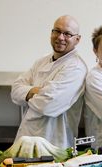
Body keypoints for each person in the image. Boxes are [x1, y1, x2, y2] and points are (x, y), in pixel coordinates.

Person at [11, 15, 87, 149]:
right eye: (57, 31)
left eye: (67, 34)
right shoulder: (41, 61)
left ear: (77, 39)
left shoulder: (76, 67)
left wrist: (29, 92)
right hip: (26, 137)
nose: (60, 37)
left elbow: (48, 105)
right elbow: (15, 91)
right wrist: (38, 92)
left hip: (54, 144)